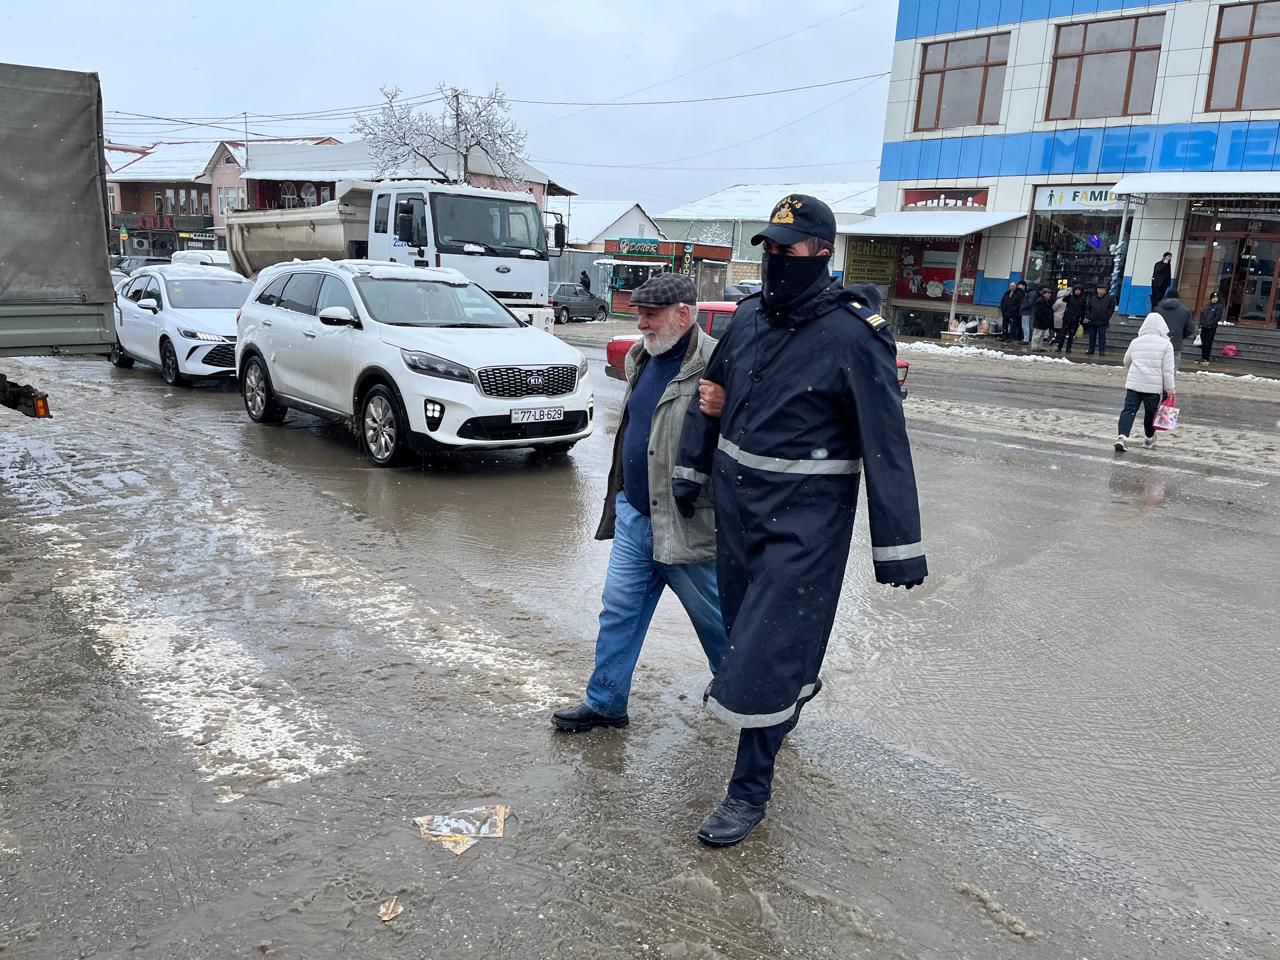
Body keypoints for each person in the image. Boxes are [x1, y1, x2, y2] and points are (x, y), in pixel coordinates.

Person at [672, 195, 927, 846]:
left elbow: (885, 444)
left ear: (821, 252)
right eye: (769, 248)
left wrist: (897, 544)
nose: (775, 260)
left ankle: (747, 793)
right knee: (746, 636)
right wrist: (691, 470)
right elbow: (711, 399)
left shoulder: (853, 336)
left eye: (788, 249)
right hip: (737, 512)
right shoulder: (750, 319)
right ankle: (780, 704)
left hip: (805, 526)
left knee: (764, 651)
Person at [552, 272, 728, 733]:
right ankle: (606, 702)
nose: (642, 323)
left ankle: (756, 701)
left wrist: (729, 409)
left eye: (651, 315)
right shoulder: (641, 357)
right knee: (619, 611)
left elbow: (748, 435)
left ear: (684, 315)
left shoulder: (718, 365)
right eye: (639, 314)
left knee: (718, 624)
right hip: (634, 513)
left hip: (687, 523)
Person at [1116, 312, 1175, 452]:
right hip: (1153, 388)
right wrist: (1170, 388)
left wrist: (1136, 370)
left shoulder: (1136, 342)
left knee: (1129, 410)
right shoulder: (1166, 345)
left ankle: (1122, 437)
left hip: (1134, 384)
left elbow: (1126, 361)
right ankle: (1149, 438)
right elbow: (1167, 370)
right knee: (1150, 414)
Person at [1155, 288, 1197, 366]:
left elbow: (1152, 325)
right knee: (1171, 370)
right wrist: (1180, 335)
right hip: (1175, 344)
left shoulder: (1158, 310)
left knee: (1157, 369)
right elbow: (1190, 329)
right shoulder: (1185, 310)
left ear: (1166, 297)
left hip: (1159, 343)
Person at [1085, 283, 1116, 356]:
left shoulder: (1109, 299)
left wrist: (1107, 316)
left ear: (1105, 291)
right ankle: (1091, 349)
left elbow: (1111, 309)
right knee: (1092, 337)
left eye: (1103, 289)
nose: (1101, 291)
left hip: (1103, 321)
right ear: (1097, 290)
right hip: (1092, 321)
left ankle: (1102, 351)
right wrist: (1089, 316)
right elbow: (1087, 308)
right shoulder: (1092, 298)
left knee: (1102, 337)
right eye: (1100, 289)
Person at [1197, 291, 1223, 365]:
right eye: (1213, 298)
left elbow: (1217, 317)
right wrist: (1200, 326)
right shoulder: (1207, 306)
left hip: (1211, 328)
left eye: (1216, 298)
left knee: (1208, 342)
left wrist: (1210, 324)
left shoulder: (1219, 306)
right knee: (1203, 342)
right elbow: (1202, 316)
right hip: (1204, 327)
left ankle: (1206, 358)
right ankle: (1203, 356)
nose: (1214, 299)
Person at [1060, 284, 1086, 353]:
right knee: (1063, 333)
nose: (1077, 292)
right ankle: (1060, 346)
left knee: (1071, 335)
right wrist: (1069, 294)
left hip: (1076, 319)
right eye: (1076, 290)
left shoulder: (1082, 299)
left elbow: (1083, 310)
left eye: (1079, 290)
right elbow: (1064, 300)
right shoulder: (1070, 297)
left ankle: (1068, 347)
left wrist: (1081, 319)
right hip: (1067, 317)